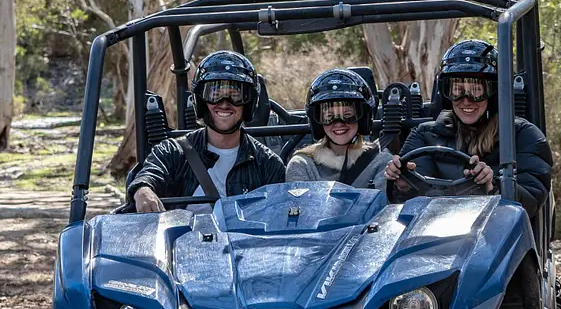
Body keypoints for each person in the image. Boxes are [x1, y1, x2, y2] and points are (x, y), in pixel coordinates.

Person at [384, 40, 552, 216]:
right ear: (447, 93)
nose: (466, 100)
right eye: (457, 90)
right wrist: (403, 185)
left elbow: (533, 200)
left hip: (495, 232)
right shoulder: (424, 134)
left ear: (494, 92)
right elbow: (407, 207)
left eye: (477, 90)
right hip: (433, 232)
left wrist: (494, 187)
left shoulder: (522, 136)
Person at [129, 50, 285, 213]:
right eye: (214, 94)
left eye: (235, 96)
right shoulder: (173, 152)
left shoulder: (267, 164)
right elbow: (151, 173)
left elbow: (277, 219)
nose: (224, 104)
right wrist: (143, 189)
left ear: (249, 103)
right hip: (183, 237)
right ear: (201, 101)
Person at [286, 69, 389, 188]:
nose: (338, 123)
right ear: (317, 122)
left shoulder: (381, 162)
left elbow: (386, 203)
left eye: (348, 115)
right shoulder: (302, 165)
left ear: (362, 118)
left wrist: (402, 188)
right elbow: (299, 205)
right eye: (329, 117)